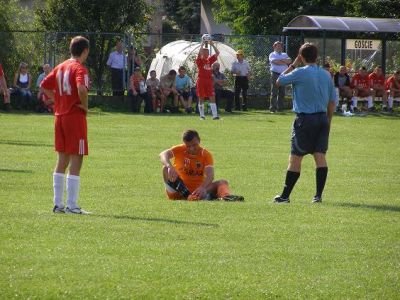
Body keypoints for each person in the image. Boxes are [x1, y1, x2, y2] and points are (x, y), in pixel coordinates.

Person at [274, 42, 336, 204]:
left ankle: (285, 196)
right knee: (320, 156)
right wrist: (328, 121)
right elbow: (331, 102)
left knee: (295, 158)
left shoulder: (300, 72)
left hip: (304, 120)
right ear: (317, 57)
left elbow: (279, 81)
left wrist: (293, 65)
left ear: (301, 57)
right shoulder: (326, 74)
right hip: (322, 119)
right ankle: (318, 196)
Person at [40, 36, 91, 214]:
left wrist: (58, 100)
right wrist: (84, 106)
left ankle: (57, 204)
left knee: (62, 159)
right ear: (85, 51)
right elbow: (82, 89)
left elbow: (44, 85)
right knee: (77, 158)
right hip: (74, 117)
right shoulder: (79, 68)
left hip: (59, 117)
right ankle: (72, 205)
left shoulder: (60, 66)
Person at [159, 129, 244, 201]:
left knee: (222, 182)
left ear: (199, 140)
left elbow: (210, 175)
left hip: (197, 191)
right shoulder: (180, 149)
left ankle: (225, 197)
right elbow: (162, 154)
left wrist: (203, 187)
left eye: (194, 145)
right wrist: (169, 166)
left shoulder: (205, 154)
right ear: (184, 143)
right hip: (176, 191)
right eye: (188, 146)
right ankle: (189, 195)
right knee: (165, 169)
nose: (192, 148)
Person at [196, 40, 220, 120]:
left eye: (208, 52)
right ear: (202, 52)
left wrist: (212, 44)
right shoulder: (199, 60)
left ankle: (215, 116)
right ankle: (202, 116)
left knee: (212, 96)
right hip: (201, 80)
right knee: (201, 97)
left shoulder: (210, 60)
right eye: (205, 52)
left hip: (209, 81)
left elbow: (217, 53)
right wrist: (202, 44)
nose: (207, 53)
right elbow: (199, 54)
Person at [269, 41, 291, 113]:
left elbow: (290, 61)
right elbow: (275, 62)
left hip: (283, 75)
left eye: (280, 46)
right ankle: (273, 109)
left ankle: (280, 109)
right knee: (274, 92)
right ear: (274, 47)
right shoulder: (272, 54)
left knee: (282, 92)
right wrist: (284, 61)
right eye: (277, 46)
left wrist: (281, 61)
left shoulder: (285, 54)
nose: (279, 47)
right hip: (275, 74)